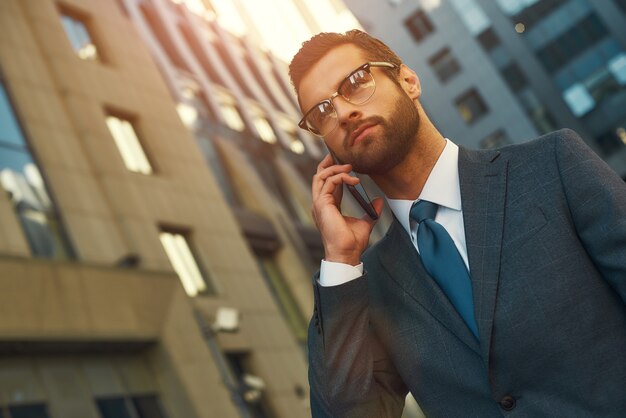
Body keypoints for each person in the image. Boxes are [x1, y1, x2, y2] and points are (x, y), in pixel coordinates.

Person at [288, 30, 626, 417]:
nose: (343, 112)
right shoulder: (370, 285)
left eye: (356, 81)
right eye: (322, 112)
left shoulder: (552, 167)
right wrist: (339, 262)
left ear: (408, 81)